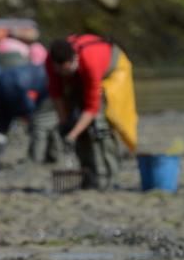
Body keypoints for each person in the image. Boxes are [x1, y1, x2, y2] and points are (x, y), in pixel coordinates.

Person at [45, 34, 139, 189]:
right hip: (80, 76)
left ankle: (110, 176)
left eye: (66, 69)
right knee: (77, 125)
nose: (63, 73)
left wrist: (72, 135)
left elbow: (92, 108)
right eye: (60, 71)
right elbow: (57, 95)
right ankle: (88, 176)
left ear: (74, 59)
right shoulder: (51, 63)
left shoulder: (90, 62)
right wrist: (65, 123)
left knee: (101, 125)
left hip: (112, 69)